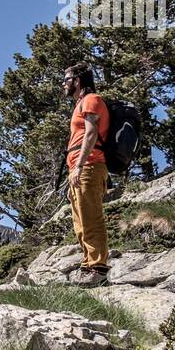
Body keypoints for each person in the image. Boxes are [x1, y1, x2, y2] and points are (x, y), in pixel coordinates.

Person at [63, 63, 109, 286]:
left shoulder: (91, 100)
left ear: (78, 80)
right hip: (79, 168)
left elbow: (91, 134)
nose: (64, 83)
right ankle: (87, 266)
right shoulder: (80, 103)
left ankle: (98, 269)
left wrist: (79, 165)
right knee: (80, 221)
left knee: (91, 218)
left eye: (66, 79)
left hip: (89, 165)